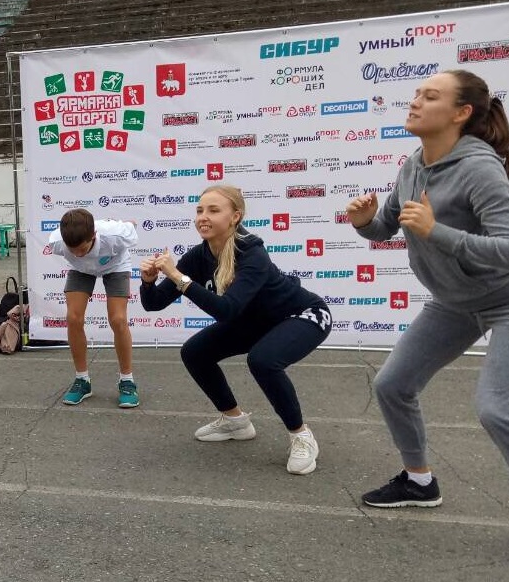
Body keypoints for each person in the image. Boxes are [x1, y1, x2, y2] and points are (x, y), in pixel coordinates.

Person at [346, 69, 509, 573]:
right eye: (417, 93)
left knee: (497, 409)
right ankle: (419, 481)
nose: (416, 101)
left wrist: (437, 232)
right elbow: (388, 226)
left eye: (430, 96)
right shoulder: (414, 163)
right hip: (455, 301)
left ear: (461, 113)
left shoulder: (479, 169)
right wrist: (364, 222)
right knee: (392, 385)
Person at [139, 184, 331, 475]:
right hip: (256, 322)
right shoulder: (199, 255)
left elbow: (226, 310)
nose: (203, 216)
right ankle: (235, 421)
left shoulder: (252, 253)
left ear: (235, 217)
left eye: (213, 210)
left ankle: (301, 435)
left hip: (303, 315)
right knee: (195, 352)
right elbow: (153, 304)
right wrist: (148, 281)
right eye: (199, 210)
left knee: (263, 360)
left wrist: (179, 278)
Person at [46, 209, 140, 408]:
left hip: (115, 265)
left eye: (82, 249)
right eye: (73, 250)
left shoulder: (116, 235)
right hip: (81, 270)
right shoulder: (56, 242)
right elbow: (75, 253)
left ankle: (127, 381)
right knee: (73, 318)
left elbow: (132, 225)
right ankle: (82, 380)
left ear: (94, 235)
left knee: (118, 319)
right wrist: (78, 256)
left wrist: (129, 223)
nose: (78, 254)